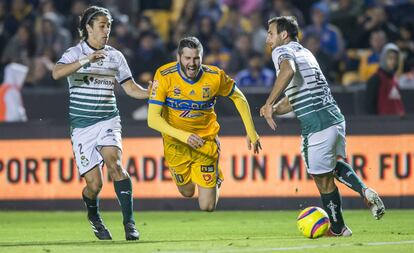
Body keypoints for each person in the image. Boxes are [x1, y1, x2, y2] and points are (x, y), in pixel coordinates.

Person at [260, 16, 385, 237]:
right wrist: (274, 109)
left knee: (323, 180)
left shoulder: (281, 51)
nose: (268, 38)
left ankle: (338, 228)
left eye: (271, 33)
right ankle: (364, 190)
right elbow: (295, 96)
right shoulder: (306, 54)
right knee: (333, 166)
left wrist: (269, 102)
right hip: (335, 119)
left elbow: (287, 71)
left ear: (284, 35)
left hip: (316, 125)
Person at [52, 6, 148, 241]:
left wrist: (150, 93)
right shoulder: (75, 52)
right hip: (82, 126)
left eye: (109, 26)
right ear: (88, 28)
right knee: (94, 185)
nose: (107, 30)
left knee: (115, 164)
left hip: (107, 119)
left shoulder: (115, 56)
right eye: (102, 26)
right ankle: (94, 216)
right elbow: (56, 73)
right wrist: (86, 60)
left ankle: (130, 224)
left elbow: (130, 87)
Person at [147, 37, 261, 211]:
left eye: (196, 58)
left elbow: (239, 97)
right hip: (176, 144)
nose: (192, 63)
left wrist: (251, 131)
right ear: (179, 57)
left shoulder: (214, 76)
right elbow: (153, 119)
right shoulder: (164, 75)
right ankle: (205, 174)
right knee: (186, 192)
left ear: (202, 57)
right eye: (187, 58)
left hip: (205, 142)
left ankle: (214, 172)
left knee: (207, 206)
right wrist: (185, 137)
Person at [366, 43, 405, 116]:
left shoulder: (395, 79)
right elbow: (370, 106)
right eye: (390, 58)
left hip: (398, 123)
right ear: (383, 58)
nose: (393, 62)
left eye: (395, 59)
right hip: (383, 124)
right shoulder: (375, 79)